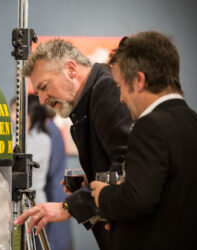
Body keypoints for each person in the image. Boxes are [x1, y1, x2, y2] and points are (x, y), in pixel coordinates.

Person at [90, 31, 197, 250]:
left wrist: (104, 195)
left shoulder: (150, 127)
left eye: (119, 87)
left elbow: (137, 198)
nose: (121, 98)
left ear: (138, 80)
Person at [14, 39, 132, 249]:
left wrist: (67, 207)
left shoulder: (105, 89)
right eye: (38, 93)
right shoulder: (92, 98)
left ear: (71, 69)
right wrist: (91, 181)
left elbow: (128, 167)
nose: (42, 101)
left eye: (44, 87)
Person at [10, 95, 51, 204]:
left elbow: (19, 164)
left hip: (34, 200)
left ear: (29, 115)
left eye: (15, 111)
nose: (12, 116)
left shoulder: (42, 139)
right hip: (17, 199)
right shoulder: (15, 137)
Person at [44, 106, 72, 250]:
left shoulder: (49, 130)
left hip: (55, 192)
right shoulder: (52, 128)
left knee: (55, 242)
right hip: (55, 190)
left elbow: (49, 167)